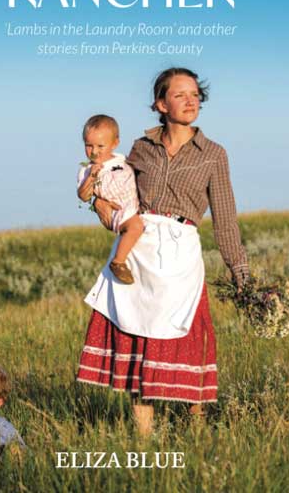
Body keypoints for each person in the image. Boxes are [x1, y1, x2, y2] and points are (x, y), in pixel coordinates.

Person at [76, 67, 249, 434]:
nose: (191, 100)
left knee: (189, 336)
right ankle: (142, 439)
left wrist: (241, 274)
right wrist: (98, 206)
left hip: (181, 251)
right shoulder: (141, 148)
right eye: (180, 94)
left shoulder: (214, 154)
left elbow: (225, 218)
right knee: (139, 337)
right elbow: (112, 185)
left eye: (195, 94)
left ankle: (198, 432)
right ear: (160, 103)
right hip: (139, 247)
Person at [77, 114, 144, 284]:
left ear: (115, 144)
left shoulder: (122, 160)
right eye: (89, 145)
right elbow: (83, 196)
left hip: (133, 203)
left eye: (101, 146)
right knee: (135, 226)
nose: (94, 151)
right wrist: (91, 177)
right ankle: (118, 262)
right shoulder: (87, 171)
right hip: (116, 211)